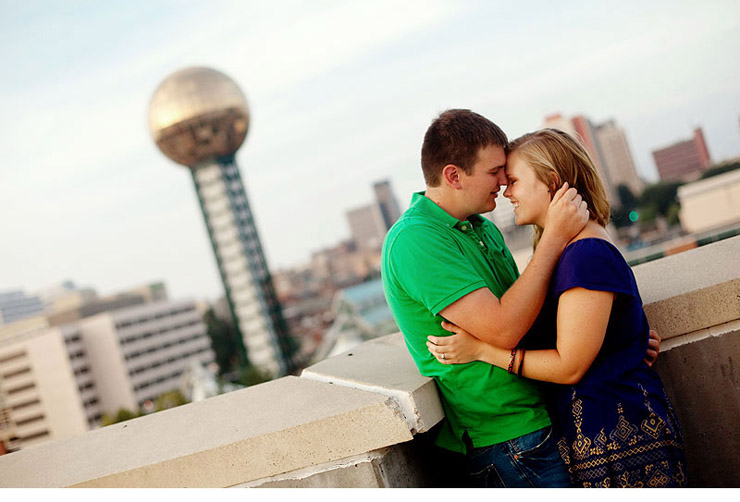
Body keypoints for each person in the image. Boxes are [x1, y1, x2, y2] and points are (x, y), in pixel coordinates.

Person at [426, 128, 687, 488]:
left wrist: (483, 350)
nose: (506, 190)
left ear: (551, 182)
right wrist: (623, 348)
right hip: (603, 432)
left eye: (515, 180)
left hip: (619, 439)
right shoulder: (568, 252)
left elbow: (569, 366)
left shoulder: (585, 254)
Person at [381, 109, 591, 487]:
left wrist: (612, 344)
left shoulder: (482, 229)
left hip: (548, 412)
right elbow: (506, 328)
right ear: (453, 175)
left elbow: (532, 316)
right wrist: (555, 238)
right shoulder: (416, 241)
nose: (504, 180)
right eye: (495, 172)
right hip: (509, 438)